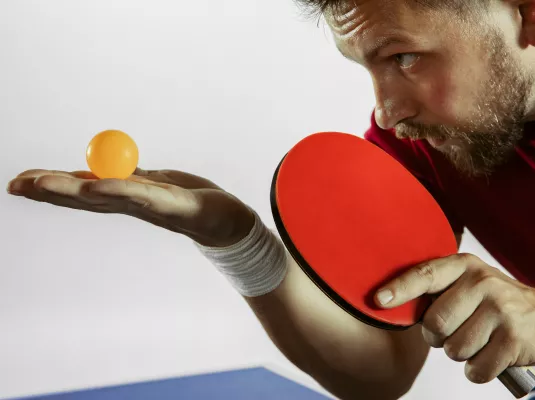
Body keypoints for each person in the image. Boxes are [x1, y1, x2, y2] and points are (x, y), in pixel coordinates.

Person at [6, 0, 535, 399]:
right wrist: (240, 244)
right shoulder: (424, 143)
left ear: (526, 16)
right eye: (365, 66)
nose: (385, 113)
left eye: (405, 56)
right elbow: (385, 370)